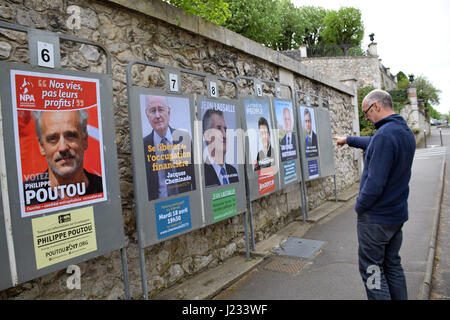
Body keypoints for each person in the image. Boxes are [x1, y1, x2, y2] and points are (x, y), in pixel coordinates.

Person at [333, 89, 416, 300]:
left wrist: (360, 206)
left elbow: (375, 184)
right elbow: (375, 144)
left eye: (366, 112)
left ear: (376, 106)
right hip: (395, 218)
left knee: (372, 272)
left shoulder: (385, 135)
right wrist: (349, 139)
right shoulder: (403, 131)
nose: (366, 117)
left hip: (376, 220)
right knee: (392, 267)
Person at [23, 110, 103, 206]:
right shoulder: (23, 199)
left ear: (85, 140)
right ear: (41, 147)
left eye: (71, 136)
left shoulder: (105, 189)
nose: (63, 148)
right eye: (53, 138)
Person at [143, 95, 196, 201]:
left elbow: (194, 177)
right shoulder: (143, 145)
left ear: (168, 112)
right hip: (159, 209)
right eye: (153, 111)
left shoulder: (183, 139)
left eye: (161, 109)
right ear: (147, 115)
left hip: (184, 204)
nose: (157, 115)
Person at [202, 109, 239, 187]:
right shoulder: (202, 174)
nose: (224, 135)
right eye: (219, 129)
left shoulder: (232, 171)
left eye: (225, 130)